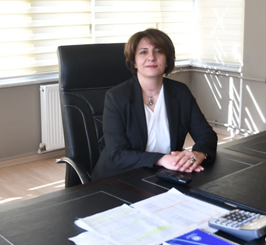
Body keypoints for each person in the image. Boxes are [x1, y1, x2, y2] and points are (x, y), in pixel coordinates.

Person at [91, 28, 217, 180]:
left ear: (167, 60)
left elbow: (206, 134)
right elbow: (117, 154)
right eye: (143, 52)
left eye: (158, 51)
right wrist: (161, 159)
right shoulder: (116, 97)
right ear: (134, 62)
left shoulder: (180, 92)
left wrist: (198, 154)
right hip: (119, 178)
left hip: (164, 174)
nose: (151, 57)